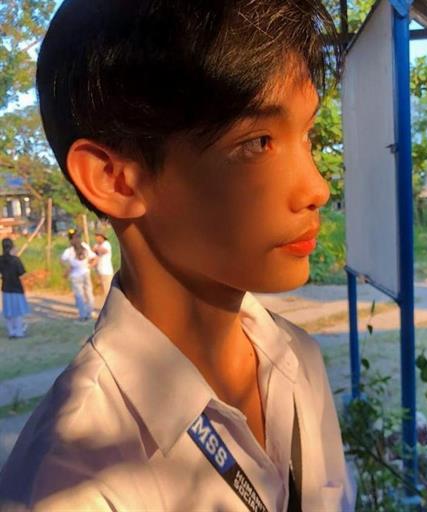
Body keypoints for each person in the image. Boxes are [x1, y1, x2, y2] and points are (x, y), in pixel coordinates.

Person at [0, 1, 356, 511]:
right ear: (114, 180)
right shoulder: (70, 482)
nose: (317, 188)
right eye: (258, 142)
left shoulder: (296, 359)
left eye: (307, 135)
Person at [60, 229, 97, 321]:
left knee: (79, 295)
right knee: (89, 292)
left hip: (75, 276)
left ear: (70, 239)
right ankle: (90, 312)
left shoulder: (69, 250)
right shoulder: (85, 246)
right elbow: (94, 257)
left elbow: (62, 260)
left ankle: (83, 315)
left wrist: (68, 268)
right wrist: (89, 266)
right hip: (86, 272)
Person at [0, 238, 29, 339]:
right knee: (17, 312)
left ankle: (11, 332)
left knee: (8, 311)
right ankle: (19, 332)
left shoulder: (1, 259)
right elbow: (22, 274)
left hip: (5, 288)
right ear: (12, 246)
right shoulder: (16, 260)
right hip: (17, 288)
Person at [92, 230, 114, 295]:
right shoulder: (97, 245)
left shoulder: (106, 244)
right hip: (100, 271)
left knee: (108, 292)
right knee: (104, 291)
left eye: (97, 236)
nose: (96, 238)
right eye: (96, 236)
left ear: (102, 237)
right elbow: (95, 256)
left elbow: (104, 251)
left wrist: (96, 248)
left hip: (107, 272)